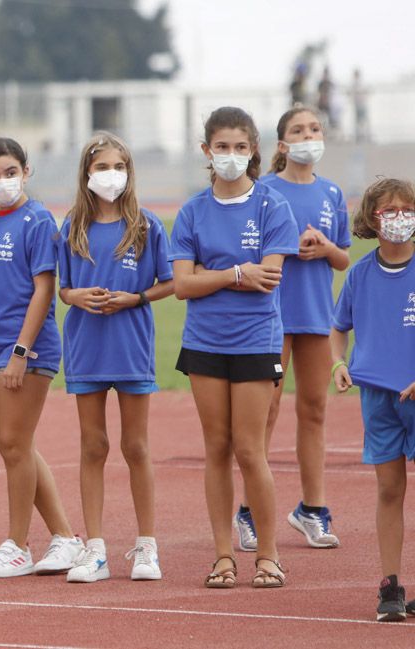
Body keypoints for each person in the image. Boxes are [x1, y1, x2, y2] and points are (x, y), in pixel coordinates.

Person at [169, 106, 298, 589]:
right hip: (204, 341)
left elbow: (269, 277)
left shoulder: (271, 207)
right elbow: (182, 285)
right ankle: (223, 556)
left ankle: (268, 555)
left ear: (254, 150)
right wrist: (234, 274)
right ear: (206, 151)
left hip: (255, 340)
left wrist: (214, 277)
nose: (230, 155)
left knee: (250, 449)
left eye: (240, 147)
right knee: (216, 448)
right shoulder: (192, 210)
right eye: (221, 147)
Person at [0, 137, 80, 578]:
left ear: (26, 172)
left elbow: (44, 289)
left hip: (27, 349)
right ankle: (65, 537)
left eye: (10, 173)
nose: (1, 182)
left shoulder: (37, 220)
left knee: (12, 445)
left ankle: (18, 544)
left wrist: (21, 353)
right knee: (16, 445)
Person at [57, 132, 173, 582]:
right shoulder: (71, 226)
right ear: (87, 173)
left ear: (129, 172)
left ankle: (147, 547)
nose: (111, 176)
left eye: (118, 167)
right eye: (102, 167)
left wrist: (135, 297)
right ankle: (96, 549)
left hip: (131, 346)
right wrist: (76, 295)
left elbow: (169, 282)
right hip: (86, 346)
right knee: (93, 446)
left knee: (136, 446)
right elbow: (63, 287)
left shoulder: (146, 225)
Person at [233, 107, 350, 552]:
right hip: (273, 315)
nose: (308, 136)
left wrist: (322, 247)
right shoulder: (264, 191)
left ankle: (312, 509)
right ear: (281, 144)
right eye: (298, 130)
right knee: (267, 409)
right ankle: (249, 510)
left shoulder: (332, 192)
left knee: (315, 409)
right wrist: (288, 247)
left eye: (315, 129)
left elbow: (343, 256)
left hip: (317, 315)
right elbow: (254, 246)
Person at [330, 178, 415, 621]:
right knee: (389, 490)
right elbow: (338, 326)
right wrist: (337, 363)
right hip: (379, 399)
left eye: (407, 208)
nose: (399, 217)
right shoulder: (361, 273)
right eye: (389, 210)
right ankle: (390, 586)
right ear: (371, 219)